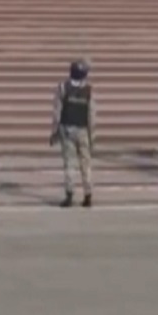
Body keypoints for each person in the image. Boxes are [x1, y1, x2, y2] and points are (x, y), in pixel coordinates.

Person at [51, 60, 95, 208]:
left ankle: (69, 194)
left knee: (69, 163)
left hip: (67, 129)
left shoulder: (63, 88)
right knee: (85, 163)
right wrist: (92, 136)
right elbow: (92, 115)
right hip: (83, 130)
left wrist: (54, 132)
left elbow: (57, 112)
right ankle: (88, 194)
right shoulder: (89, 90)